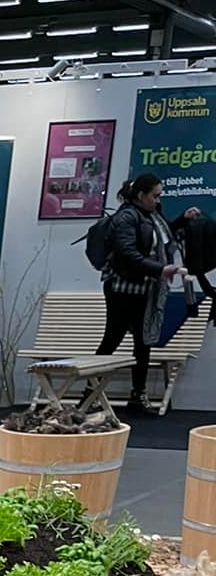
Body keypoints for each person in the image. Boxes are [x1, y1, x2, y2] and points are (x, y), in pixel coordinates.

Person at [98, 174, 179, 417]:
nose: (158, 200)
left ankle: (138, 395)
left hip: (144, 288)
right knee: (112, 340)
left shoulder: (150, 216)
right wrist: (160, 269)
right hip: (123, 290)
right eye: (155, 195)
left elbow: (158, 242)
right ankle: (91, 393)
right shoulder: (126, 217)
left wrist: (183, 221)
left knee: (143, 343)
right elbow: (127, 253)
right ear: (141, 195)